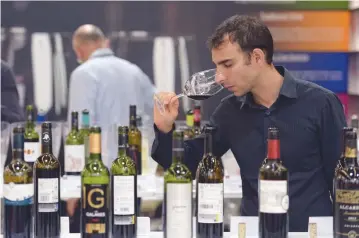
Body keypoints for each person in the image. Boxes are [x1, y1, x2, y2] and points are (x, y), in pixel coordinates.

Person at [151, 15, 346, 232]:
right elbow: (188, 164)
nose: (219, 77)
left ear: (256, 57)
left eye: (227, 64)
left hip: (311, 232)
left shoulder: (320, 103)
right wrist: (164, 128)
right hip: (254, 231)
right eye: (217, 66)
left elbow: (342, 180)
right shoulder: (229, 111)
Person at [67, 24, 156, 231]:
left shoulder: (82, 73)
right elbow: (157, 110)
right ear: (103, 43)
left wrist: (73, 190)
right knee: (126, 231)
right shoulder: (134, 71)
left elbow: (81, 130)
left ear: (79, 50)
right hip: (132, 172)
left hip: (96, 178)